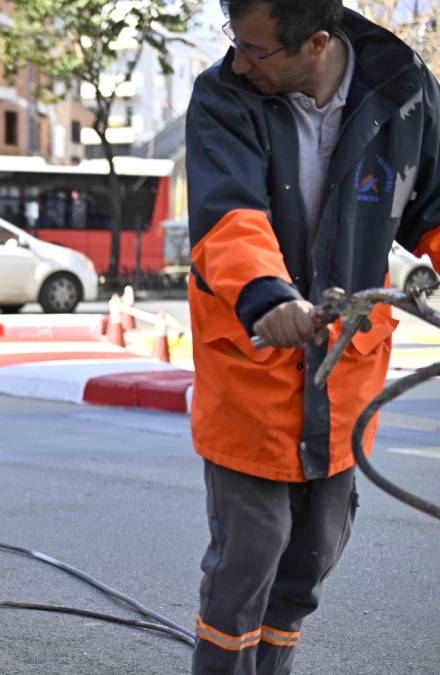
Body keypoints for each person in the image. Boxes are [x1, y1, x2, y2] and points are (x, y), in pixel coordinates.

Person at [186, 2, 440, 672]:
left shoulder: (403, 89)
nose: (237, 61)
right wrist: (266, 294)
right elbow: (228, 216)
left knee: (307, 566)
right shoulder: (223, 95)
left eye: (254, 48)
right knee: (248, 562)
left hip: (344, 373)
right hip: (253, 364)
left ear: (318, 42)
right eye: (232, 41)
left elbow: (436, 209)